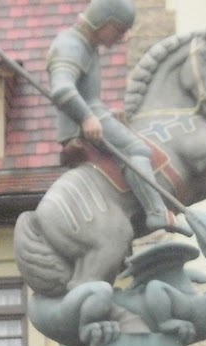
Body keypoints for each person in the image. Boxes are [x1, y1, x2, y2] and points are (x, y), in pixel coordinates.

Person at [47, 0, 175, 233]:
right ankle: (157, 213)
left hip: (93, 115)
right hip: (79, 124)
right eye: (119, 29)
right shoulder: (71, 45)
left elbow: (89, 96)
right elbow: (62, 89)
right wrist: (87, 117)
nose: (123, 37)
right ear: (104, 22)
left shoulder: (85, 45)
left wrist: (105, 113)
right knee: (137, 150)